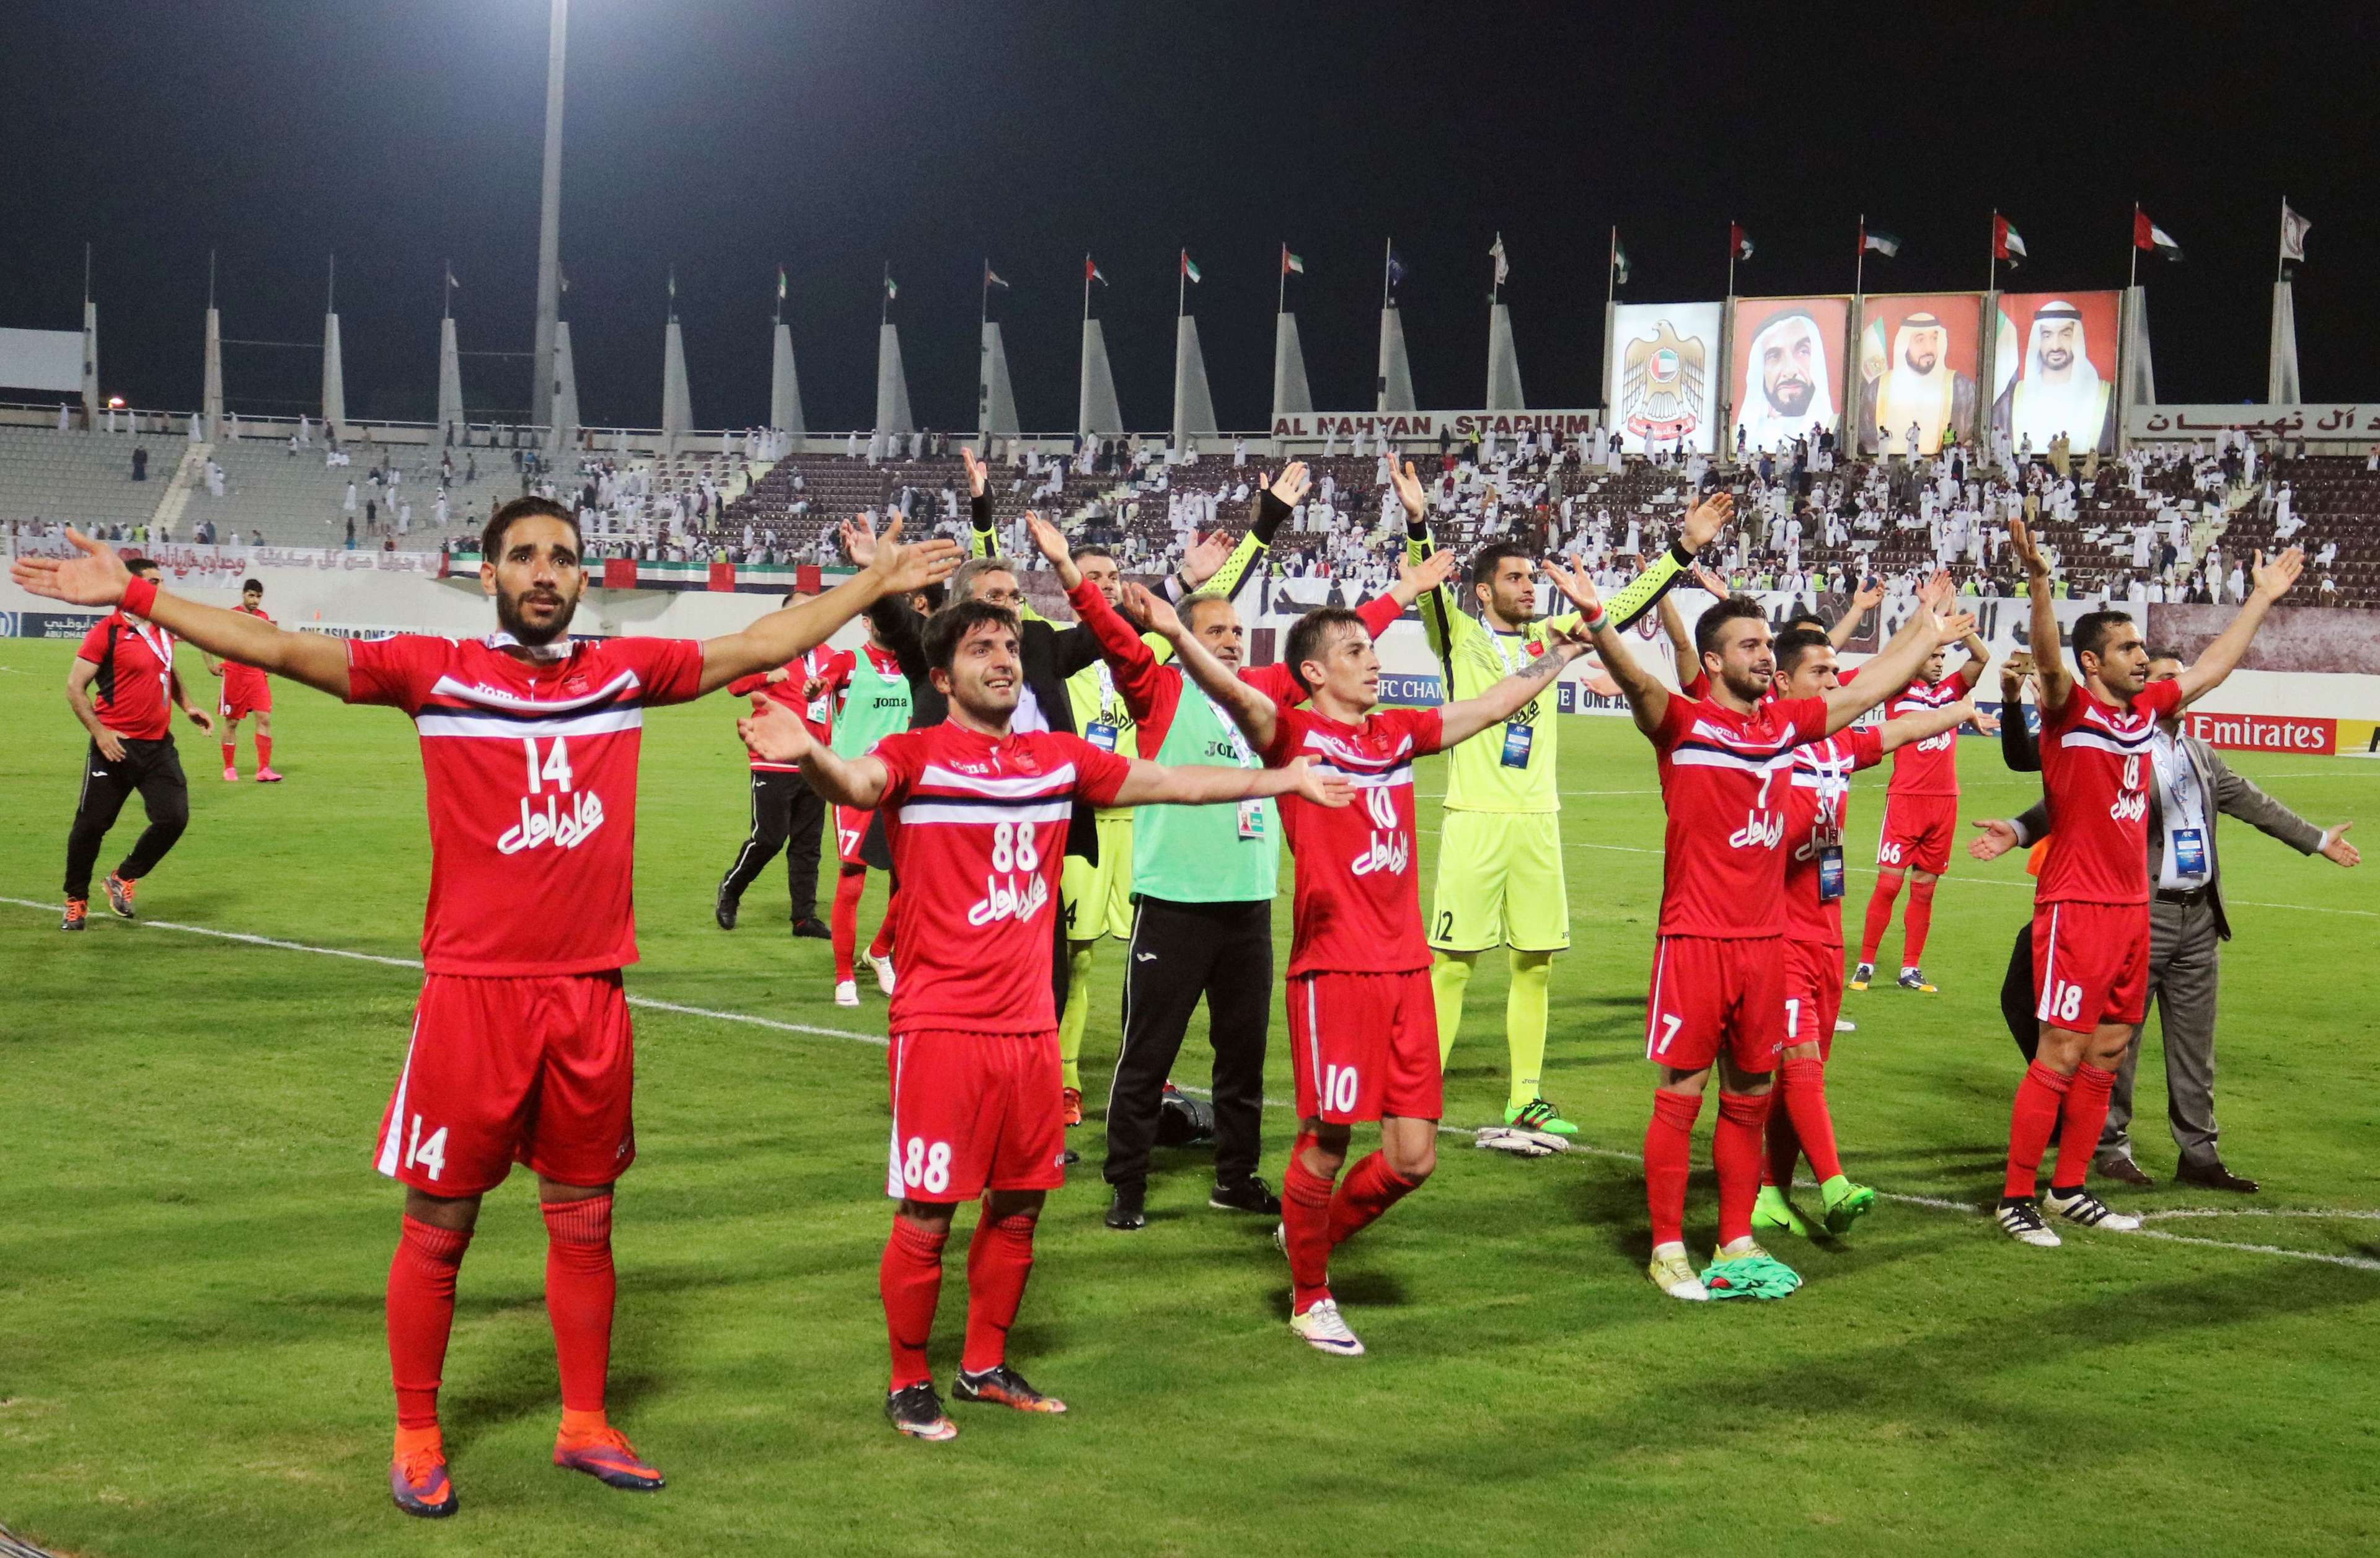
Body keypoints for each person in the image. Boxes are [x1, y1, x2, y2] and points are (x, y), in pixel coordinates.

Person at [13, 499, 960, 1516]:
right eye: (523, 556)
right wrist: (140, 594)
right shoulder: (436, 670)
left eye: (561, 556)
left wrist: (872, 584)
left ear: (583, 578)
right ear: (489, 575)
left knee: (587, 1221)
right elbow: (280, 646)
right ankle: (417, 1433)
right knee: (438, 1223)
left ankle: (585, 1422)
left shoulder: (621, 673)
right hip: (473, 996)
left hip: (591, 992)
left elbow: (758, 640)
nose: (543, 571)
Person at [736, 598, 1355, 1439]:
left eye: (1009, 647)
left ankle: (984, 1365)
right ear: (942, 674)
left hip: (1031, 1030)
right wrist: (808, 749)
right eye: (981, 648)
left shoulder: (1055, 760)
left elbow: (1171, 781)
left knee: (1021, 1204)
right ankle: (907, 1378)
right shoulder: (914, 756)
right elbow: (856, 783)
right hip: (941, 1028)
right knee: (928, 1210)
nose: (1002, 659)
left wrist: (1283, 776)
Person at [1160, 575, 1610, 1357]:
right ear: (1312, 673)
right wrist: (1176, 633)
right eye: (1356, 650)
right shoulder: (1295, 736)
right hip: (1334, 971)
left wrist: (1559, 658)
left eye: (1371, 647)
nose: (1374, 659)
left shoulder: (1396, 734)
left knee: (1413, 1157)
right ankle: (1309, 1297)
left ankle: (1308, 1236)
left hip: (1405, 971)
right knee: (1326, 1143)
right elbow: (1231, 690)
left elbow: (1489, 706)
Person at [1545, 549, 1975, 1301]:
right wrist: (1597, 619)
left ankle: (1736, 1236)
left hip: (1766, 946)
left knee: (1748, 1097)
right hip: (1695, 942)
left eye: (1764, 642)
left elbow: (1873, 687)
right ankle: (1668, 1244)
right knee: (1679, 1097)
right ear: (1714, 660)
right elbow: (1640, 681)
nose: (1762, 652)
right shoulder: (1681, 725)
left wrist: (1922, 628)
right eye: (1749, 643)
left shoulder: (1784, 728)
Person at [1065, 538, 1459, 1229]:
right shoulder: (1159, 691)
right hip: (1175, 901)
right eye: (1215, 629)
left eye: (1238, 632)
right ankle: (1127, 1182)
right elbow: (1109, 634)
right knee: (1146, 1051)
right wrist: (1075, 578)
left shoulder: (1270, 695)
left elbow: (1336, 647)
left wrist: (1403, 592)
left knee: (1242, 1054)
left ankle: (1235, 1177)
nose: (1229, 642)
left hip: (1248, 901)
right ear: (1184, 632)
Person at [1988, 517, 2300, 1248]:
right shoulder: (2070, 712)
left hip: (2135, 909)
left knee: (2106, 1052)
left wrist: (2259, 599)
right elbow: (2047, 656)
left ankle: (2070, 1188)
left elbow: (2213, 667)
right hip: (2076, 908)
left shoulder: (2146, 714)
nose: (2144, 657)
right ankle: (2015, 1196)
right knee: (2059, 1051)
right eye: (2129, 648)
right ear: (2094, 661)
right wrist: (2040, 583)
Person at [1405, 462, 1729, 1144]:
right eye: (1516, 578)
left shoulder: (1548, 637)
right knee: (1454, 962)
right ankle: (1419, 1089)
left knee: (1536, 961)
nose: (1530, 586)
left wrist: (1683, 549)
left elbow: (1622, 610)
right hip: (1474, 818)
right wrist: (1416, 522)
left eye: (1531, 577)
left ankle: (1526, 1095)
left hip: (1539, 821)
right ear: (1484, 588)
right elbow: (1429, 591)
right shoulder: (1458, 637)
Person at [1972, 650, 2356, 1193]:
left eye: (2180, 677)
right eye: (2165, 679)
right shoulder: (2117, 740)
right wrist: (2018, 826)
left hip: (2199, 915)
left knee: (2195, 1044)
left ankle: (2199, 1153)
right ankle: (2108, 1147)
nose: (2179, 686)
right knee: (2115, 1042)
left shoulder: (2202, 755)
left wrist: (2318, 840)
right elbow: (2061, 797)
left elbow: (2255, 804)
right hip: (2135, 910)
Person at [1754, 627, 1975, 1241]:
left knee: (1803, 1071)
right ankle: (1833, 1184)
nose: (1834, 682)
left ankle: (1771, 1189)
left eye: (1834, 672)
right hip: (1777, 930)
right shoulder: (1770, 740)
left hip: (1827, 931)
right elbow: (1882, 676)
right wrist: (1924, 629)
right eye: (1821, 673)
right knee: (1801, 1064)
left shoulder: (1835, 748)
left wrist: (1956, 709)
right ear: (1782, 684)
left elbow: (1898, 728)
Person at [56, 557, 216, 929]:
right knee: (91, 826)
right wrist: (99, 732)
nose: (162, 589)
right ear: (134, 588)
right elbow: (74, 688)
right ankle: (76, 899)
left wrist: (188, 705)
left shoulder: (163, 629)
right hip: (115, 747)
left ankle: (123, 877)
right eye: (154, 582)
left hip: (159, 746)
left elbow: (166, 668)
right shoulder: (107, 632)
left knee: (173, 818)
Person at [1851, 621, 1991, 993]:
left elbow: (1982, 657)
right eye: (1933, 655)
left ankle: (1910, 968)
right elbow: (1891, 663)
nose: (1940, 662)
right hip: (1905, 800)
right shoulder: (1898, 690)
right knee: (1888, 885)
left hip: (1945, 801)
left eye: (1943, 656)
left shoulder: (1953, 690)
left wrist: (1960, 626)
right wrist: (1921, 639)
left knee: (1926, 887)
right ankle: (1865, 962)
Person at [713, 591, 847, 941]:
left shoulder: (829, 657)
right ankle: (731, 889)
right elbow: (733, 685)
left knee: (808, 845)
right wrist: (764, 678)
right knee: (769, 839)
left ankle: (804, 918)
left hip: (815, 762)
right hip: (773, 761)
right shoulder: (768, 652)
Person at [824, 608, 914, 1006]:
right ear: (866, 622)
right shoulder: (847, 662)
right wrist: (814, 688)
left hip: (902, 784)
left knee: (910, 881)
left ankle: (881, 952)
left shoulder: (916, 667)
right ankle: (844, 976)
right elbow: (819, 685)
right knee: (852, 878)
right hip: (856, 783)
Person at [1995, 301, 2114, 454]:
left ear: (2076, 339)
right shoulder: (2012, 399)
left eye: (2065, 335)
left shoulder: (2105, 398)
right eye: (2047, 335)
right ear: (2038, 341)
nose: (2055, 346)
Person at [1862, 311, 1977, 458]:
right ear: (1904, 345)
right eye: (1920, 340)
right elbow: (1867, 441)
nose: (1929, 349)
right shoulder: (1878, 389)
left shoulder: (1962, 388)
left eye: (1934, 339)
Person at [201, 578, 282, 782]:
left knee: (264, 719)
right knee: (233, 722)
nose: (255, 600)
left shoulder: (263, 618)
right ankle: (229, 767)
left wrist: (269, 665)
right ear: (244, 594)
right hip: (235, 675)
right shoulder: (232, 616)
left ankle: (264, 769)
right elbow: (205, 636)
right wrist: (210, 664)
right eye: (251, 595)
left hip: (257, 677)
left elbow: (270, 645)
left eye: (258, 597)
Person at [1736, 309, 1836, 453]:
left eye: (1803, 351)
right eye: (1774, 356)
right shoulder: (1748, 435)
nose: (1790, 371)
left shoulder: (1834, 426)